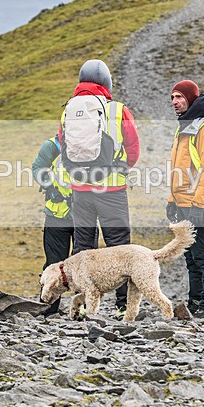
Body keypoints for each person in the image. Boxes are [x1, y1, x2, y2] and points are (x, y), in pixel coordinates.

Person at [61, 60, 140, 319]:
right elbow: (133, 148)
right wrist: (120, 168)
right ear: (107, 83)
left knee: (83, 245)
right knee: (119, 247)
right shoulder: (117, 110)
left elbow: (64, 145)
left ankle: (82, 304)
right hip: (112, 189)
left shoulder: (68, 111)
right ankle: (123, 306)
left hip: (80, 190)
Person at [165, 80, 204, 319]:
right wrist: (172, 199)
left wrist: (198, 204)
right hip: (183, 203)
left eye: (179, 97)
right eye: (172, 98)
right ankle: (195, 299)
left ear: (190, 98)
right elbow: (178, 169)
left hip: (201, 204)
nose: (175, 102)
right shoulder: (185, 127)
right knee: (190, 254)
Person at [32, 134, 74, 315]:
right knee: (53, 263)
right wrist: (50, 186)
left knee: (85, 266)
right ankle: (48, 309)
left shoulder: (96, 143)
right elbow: (38, 168)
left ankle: (83, 310)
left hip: (85, 214)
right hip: (57, 213)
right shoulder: (53, 145)